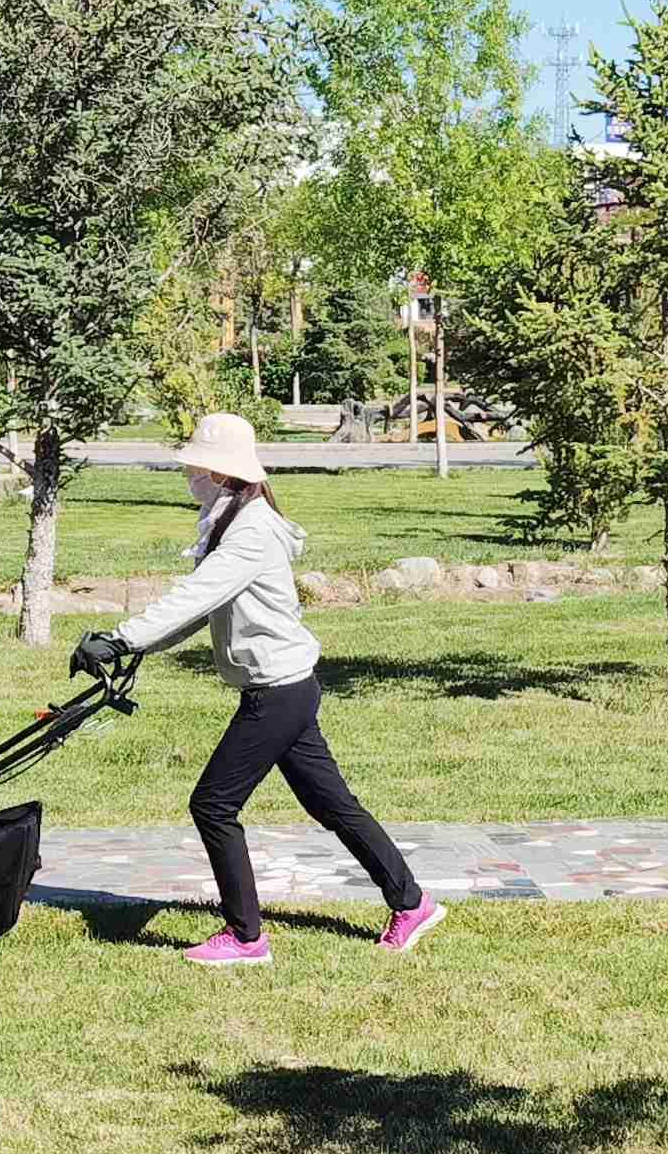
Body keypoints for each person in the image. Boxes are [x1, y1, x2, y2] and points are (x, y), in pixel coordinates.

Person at [70, 413, 441, 968]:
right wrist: (133, 648)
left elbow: (194, 595)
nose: (190, 473)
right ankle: (411, 902)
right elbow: (202, 609)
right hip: (287, 687)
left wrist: (120, 639)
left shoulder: (249, 532)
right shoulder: (232, 519)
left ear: (221, 472)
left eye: (197, 465)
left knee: (213, 805)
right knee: (331, 804)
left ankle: (246, 937)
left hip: (278, 693)